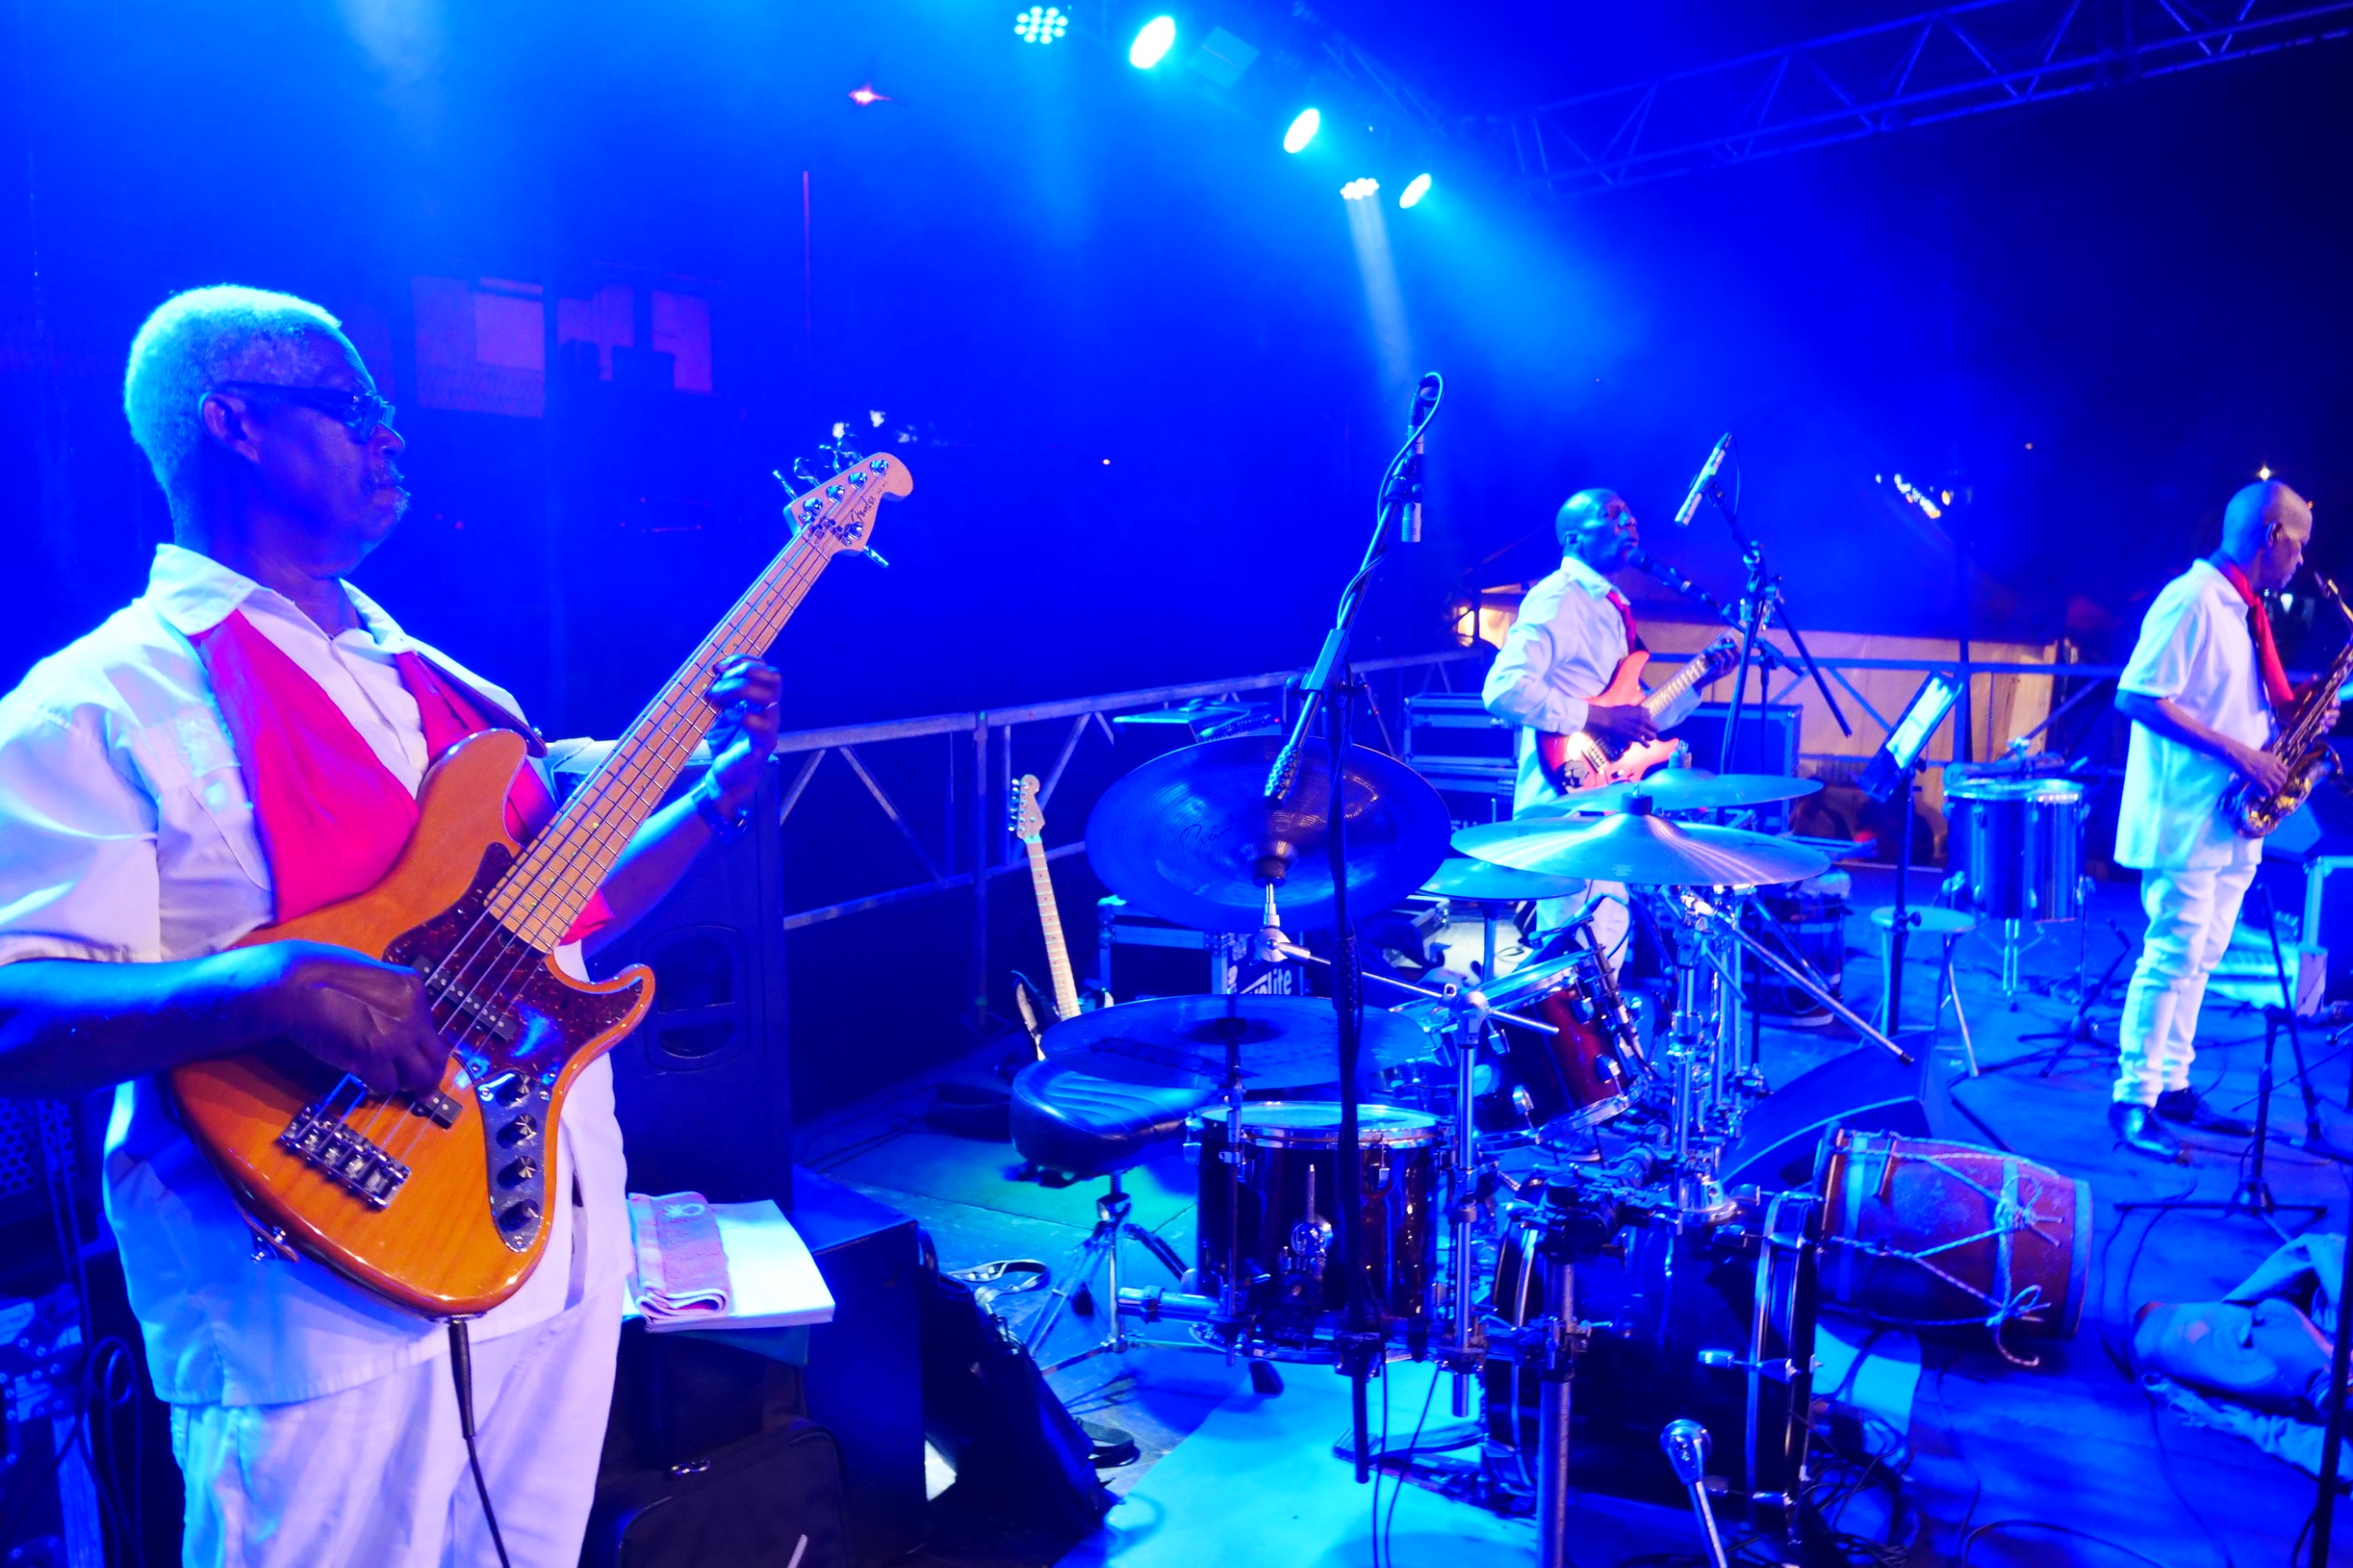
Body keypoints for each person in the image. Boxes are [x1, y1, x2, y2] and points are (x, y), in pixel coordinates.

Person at [0, 285, 784, 1566]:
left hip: (546, 1240)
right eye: (353, 406)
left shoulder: (454, 690)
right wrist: (261, 987)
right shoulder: (93, 704)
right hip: (310, 1297)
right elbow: (16, 1006)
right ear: (235, 424)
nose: (390, 434)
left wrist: (708, 803)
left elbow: (556, 934)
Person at [2108, 478, 2331, 1162]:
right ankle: (2133, 1097)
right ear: (2273, 535)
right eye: (2298, 547)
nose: (2301, 562)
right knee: (2172, 953)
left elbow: (2228, 702)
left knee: (2202, 956)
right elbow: (2136, 696)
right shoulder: (2194, 599)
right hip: (2186, 813)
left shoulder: (2243, 609)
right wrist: (2242, 755)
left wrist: (2301, 716)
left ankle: (2173, 1084)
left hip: (2230, 817)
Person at [1481, 488, 1733, 952]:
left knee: (1606, 940)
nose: (1628, 522)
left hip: (1604, 800)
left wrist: (1698, 681)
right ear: (1574, 538)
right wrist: (1600, 718)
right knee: (1579, 951)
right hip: (1566, 801)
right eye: (1611, 514)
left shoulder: (1607, 606)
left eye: (1631, 515)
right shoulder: (1559, 596)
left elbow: (1637, 719)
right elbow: (1503, 688)